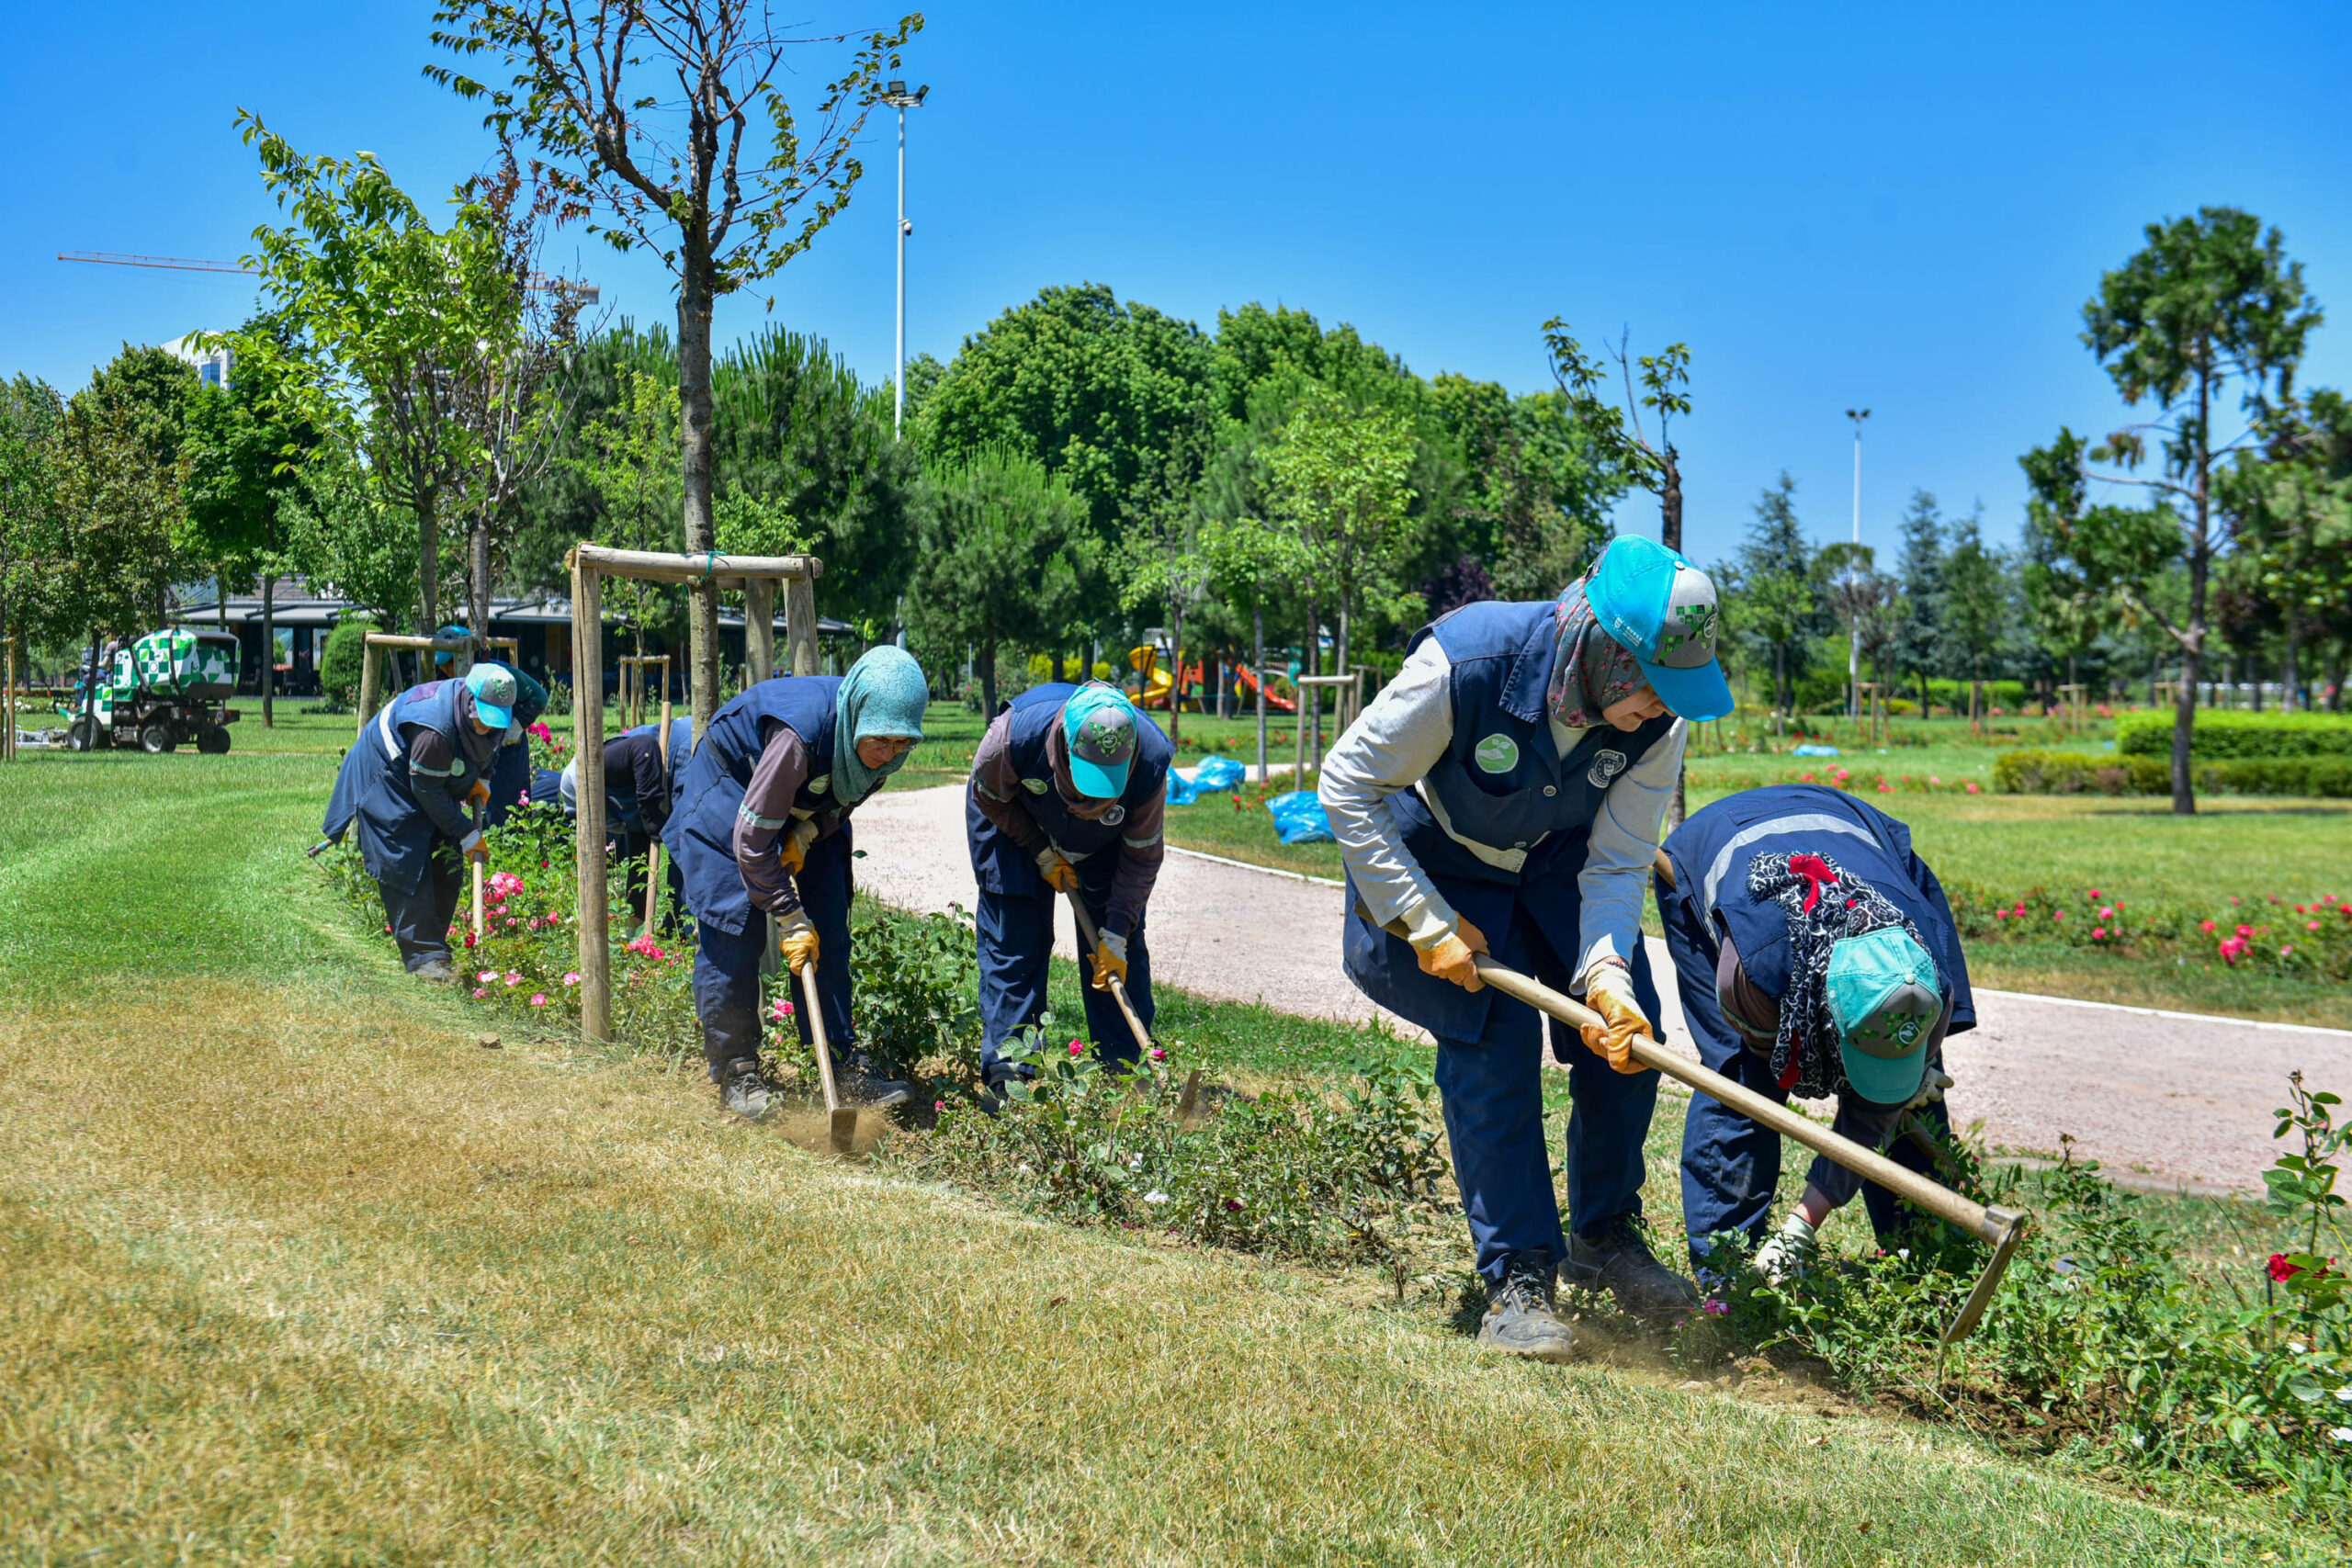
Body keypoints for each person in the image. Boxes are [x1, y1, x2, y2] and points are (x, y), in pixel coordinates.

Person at [1319, 536, 1735, 1362]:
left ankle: (1604, 1235)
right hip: (1438, 856)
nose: (1662, 707)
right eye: (1653, 685)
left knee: (1629, 1038)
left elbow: (1617, 861)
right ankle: (1517, 1279)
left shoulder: (1659, 727)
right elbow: (1347, 782)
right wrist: (1422, 920)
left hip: (1560, 861)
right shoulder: (1466, 665)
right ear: (1604, 652)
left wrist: (1607, 977)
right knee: (1493, 1043)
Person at [1657, 784, 1971, 1280]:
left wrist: (1801, 1225)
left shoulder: (1928, 976)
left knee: (1912, 1088)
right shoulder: (1755, 975)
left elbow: (1874, 1111)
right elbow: (1781, 1066)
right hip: (1716, 855)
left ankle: (1928, 1267)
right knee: (1745, 1083)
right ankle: (1729, 1278)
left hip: (1859, 835)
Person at [664, 648, 930, 1120]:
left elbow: (843, 803)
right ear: (856, 716)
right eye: (879, 741)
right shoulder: (797, 737)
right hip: (733, 792)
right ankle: (737, 1070)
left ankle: (843, 1064)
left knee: (827, 926)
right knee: (733, 928)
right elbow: (749, 840)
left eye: (899, 743)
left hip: (802, 804)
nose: (887, 754)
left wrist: (809, 830)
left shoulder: (880, 752)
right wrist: (788, 914)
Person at [967, 681, 1171, 1096]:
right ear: (1064, 744)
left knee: (1116, 952)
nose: (1092, 801)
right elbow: (989, 796)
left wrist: (1116, 932)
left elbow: (1142, 856)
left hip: (1106, 846)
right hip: (1015, 822)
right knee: (1015, 940)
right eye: (1085, 784)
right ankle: (1012, 1077)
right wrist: (1040, 850)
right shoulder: (1012, 739)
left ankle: (1127, 1071)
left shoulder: (1149, 763)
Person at [322, 662, 525, 983]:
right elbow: (427, 790)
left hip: (427, 779)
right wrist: (465, 831)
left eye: (494, 721)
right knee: (405, 863)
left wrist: (483, 780)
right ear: (469, 701)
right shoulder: (434, 729)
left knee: (447, 862)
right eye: (483, 720)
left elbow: (491, 751)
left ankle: (436, 949)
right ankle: (424, 959)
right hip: (389, 778)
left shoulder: (493, 716)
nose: (487, 727)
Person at [560, 715, 695, 923]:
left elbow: (644, 747)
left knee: (687, 846)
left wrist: (653, 818)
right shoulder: (624, 806)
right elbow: (639, 860)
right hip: (673, 758)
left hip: (682, 746)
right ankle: (675, 931)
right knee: (680, 848)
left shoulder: (596, 767)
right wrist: (635, 922)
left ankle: (691, 936)